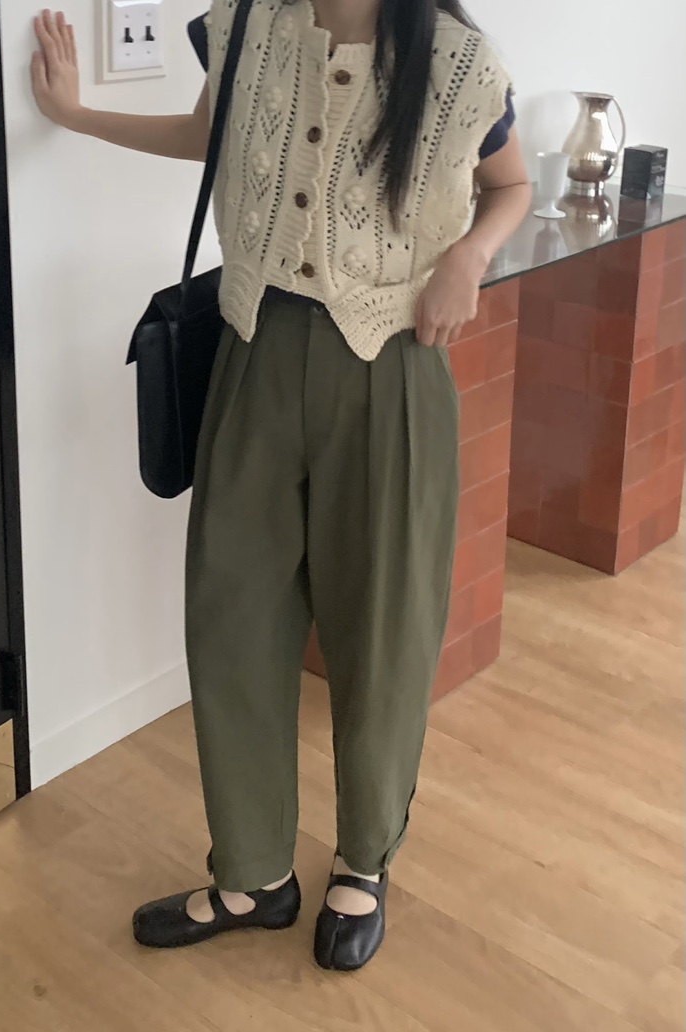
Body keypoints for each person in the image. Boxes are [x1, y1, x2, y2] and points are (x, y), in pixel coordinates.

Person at [31, 0, 531, 971]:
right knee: (232, 616)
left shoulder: (458, 62)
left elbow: (510, 183)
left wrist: (469, 256)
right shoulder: (244, 23)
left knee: (381, 628)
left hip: (391, 365)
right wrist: (76, 115)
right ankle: (253, 873)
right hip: (253, 349)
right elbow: (212, 134)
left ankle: (364, 862)